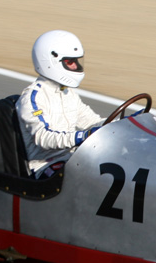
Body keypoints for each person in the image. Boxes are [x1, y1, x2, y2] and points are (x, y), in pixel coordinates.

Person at [17, 30, 104, 178]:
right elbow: (43, 137)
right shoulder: (33, 98)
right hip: (45, 167)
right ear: (51, 62)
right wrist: (80, 136)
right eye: (70, 62)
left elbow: (93, 122)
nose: (76, 67)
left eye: (77, 61)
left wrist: (125, 123)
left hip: (72, 159)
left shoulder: (68, 93)